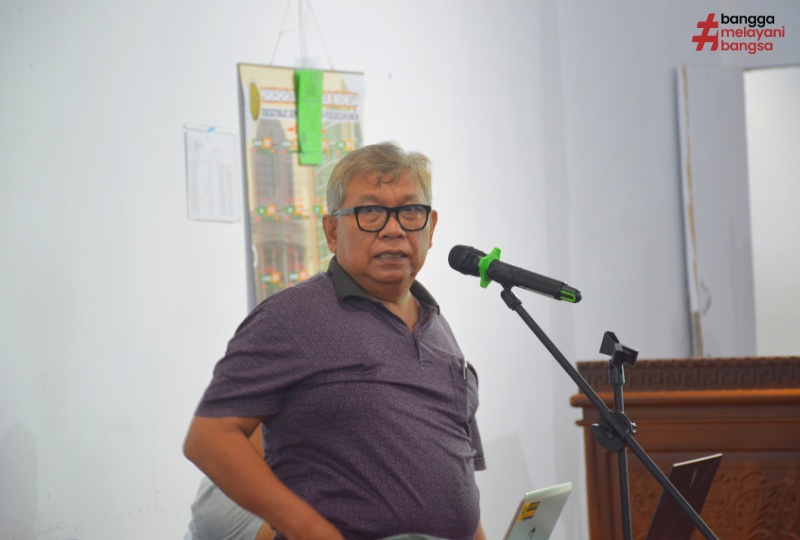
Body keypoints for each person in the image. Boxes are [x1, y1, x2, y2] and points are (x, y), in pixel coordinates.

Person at [183, 142, 486, 540]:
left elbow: (457, 478)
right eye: (370, 212)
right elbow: (208, 439)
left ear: (431, 227)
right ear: (331, 230)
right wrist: (308, 529)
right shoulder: (291, 318)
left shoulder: (438, 328)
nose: (393, 228)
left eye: (410, 211)